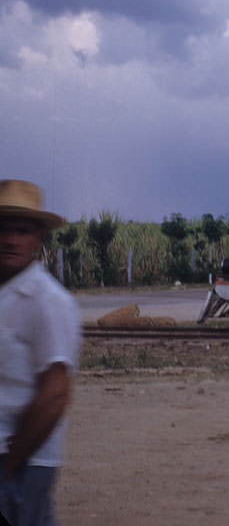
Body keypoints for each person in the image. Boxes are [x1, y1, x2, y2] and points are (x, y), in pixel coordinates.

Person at [0, 179, 81, 526]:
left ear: (39, 238)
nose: (10, 239)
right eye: (3, 229)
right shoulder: (6, 292)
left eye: (22, 230)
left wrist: (11, 463)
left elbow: (55, 394)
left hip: (23, 463)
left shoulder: (47, 300)